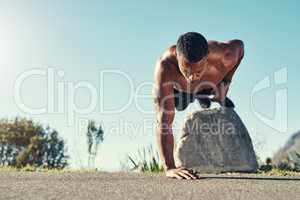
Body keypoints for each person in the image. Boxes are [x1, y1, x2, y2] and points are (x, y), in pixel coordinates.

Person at [152, 32, 244, 179]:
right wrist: (169, 167)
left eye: (197, 71)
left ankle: (205, 97)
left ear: (206, 58)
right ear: (177, 56)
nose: (190, 77)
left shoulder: (226, 54)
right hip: (180, 92)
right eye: (185, 70)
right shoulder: (165, 67)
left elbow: (240, 47)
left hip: (210, 84)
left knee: (218, 95)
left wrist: (226, 82)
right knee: (171, 111)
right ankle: (197, 97)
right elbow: (164, 123)